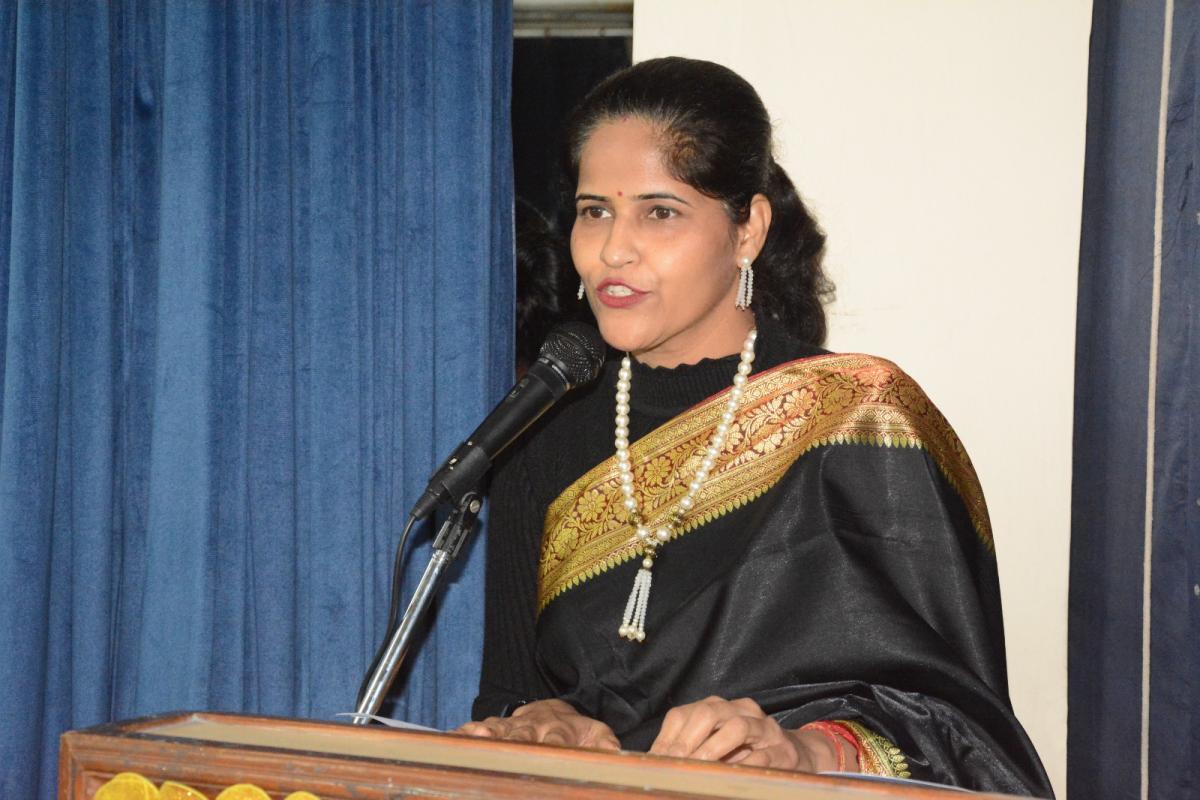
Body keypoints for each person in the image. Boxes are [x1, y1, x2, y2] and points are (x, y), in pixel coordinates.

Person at [460, 57, 1052, 797]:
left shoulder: (861, 421)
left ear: (749, 230)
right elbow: (509, 693)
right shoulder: (538, 433)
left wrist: (805, 753)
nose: (613, 249)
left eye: (660, 212)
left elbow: (961, 731)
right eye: (594, 211)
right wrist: (538, 719)